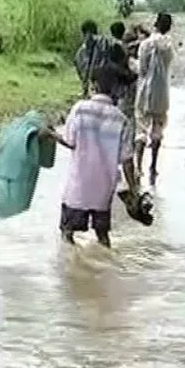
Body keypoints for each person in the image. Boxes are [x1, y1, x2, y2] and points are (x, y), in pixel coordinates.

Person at [53, 63, 138, 248]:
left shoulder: (80, 109)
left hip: (78, 187)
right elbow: (127, 161)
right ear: (116, 89)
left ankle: (73, 266)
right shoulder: (121, 119)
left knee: (67, 234)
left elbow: (70, 141)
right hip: (103, 190)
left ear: (94, 86)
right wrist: (134, 191)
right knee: (103, 237)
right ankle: (106, 268)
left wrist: (51, 135)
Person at [135, 13, 175, 186]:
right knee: (158, 128)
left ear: (155, 25)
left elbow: (142, 69)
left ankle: (138, 166)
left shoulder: (145, 44)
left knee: (141, 129)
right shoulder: (169, 46)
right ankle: (153, 165)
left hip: (145, 92)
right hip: (162, 93)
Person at [74, 19, 99, 97]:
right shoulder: (103, 46)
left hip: (90, 86)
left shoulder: (80, 52)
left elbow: (79, 68)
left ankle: (85, 89)